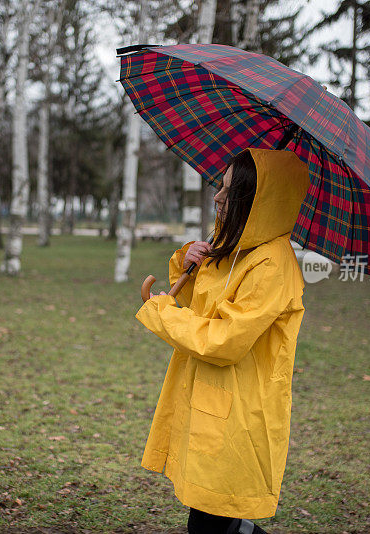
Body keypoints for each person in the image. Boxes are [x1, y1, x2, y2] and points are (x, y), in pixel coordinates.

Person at [134, 147, 310, 534]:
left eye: (230, 192)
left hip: (239, 410)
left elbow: (224, 340)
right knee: (209, 510)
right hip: (209, 398)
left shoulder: (271, 263)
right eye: (221, 186)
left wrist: (163, 314)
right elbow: (204, 305)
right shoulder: (235, 245)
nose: (217, 198)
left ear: (258, 201)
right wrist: (190, 265)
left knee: (212, 513)